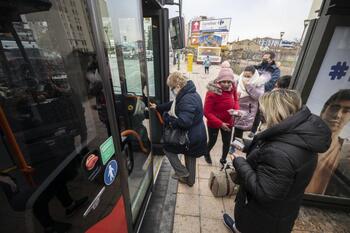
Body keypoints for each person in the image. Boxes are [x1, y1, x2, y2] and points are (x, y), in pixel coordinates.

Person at [223, 89, 331, 233]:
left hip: (262, 220)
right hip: (282, 210)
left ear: (275, 113)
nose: (261, 115)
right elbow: (271, 148)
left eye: (263, 112)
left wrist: (239, 162)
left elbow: (264, 193)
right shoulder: (300, 134)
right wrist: (248, 146)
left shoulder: (280, 153)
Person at [150, 72, 207, 186]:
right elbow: (174, 104)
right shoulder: (189, 93)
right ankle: (190, 181)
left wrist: (167, 119)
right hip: (196, 133)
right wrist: (158, 107)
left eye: (172, 88)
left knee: (167, 149)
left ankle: (182, 172)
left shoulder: (187, 98)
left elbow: (183, 122)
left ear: (178, 86)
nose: (171, 90)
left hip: (190, 136)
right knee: (190, 156)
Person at [305, 89, 350, 195]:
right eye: (335, 108)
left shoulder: (345, 150)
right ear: (323, 110)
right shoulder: (302, 138)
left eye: (346, 111)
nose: (338, 115)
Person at [204, 61, 239, 165]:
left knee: (227, 142)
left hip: (228, 121)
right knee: (212, 141)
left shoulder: (233, 87)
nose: (227, 84)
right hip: (214, 122)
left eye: (229, 82)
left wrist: (236, 110)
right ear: (218, 81)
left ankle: (223, 159)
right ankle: (206, 153)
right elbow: (206, 112)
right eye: (224, 82)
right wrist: (220, 124)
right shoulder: (212, 92)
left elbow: (236, 100)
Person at [248, 51, 281, 138]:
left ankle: (253, 130)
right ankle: (247, 125)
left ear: (272, 59)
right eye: (263, 58)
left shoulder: (275, 70)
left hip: (264, 95)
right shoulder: (258, 66)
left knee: (259, 112)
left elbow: (271, 83)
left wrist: (257, 85)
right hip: (253, 92)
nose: (264, 60)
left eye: (266, 59)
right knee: (250, 109)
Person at [232, 66, 266, 140]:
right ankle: (234, 146)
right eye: (245, 75)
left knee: (240, 129)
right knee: (236, 129)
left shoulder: (259, 83)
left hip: (248, 109)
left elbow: (259, 96)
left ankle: (235, 147)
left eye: (248, 76)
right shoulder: (239, 80)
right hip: (238, 107)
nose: (246, 78)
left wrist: (248, 86)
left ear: (254, 76)